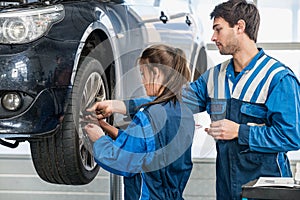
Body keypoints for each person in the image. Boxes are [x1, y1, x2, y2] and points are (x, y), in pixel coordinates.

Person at [88, 1, 300, 199]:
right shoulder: (215, 77)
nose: (213, 37)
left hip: (264, 186)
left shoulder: (277, 78)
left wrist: (239, 131)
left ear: (240, 27)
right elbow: (172, 100)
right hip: (226, 185)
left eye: (218, 29)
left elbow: (291, 136)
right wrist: (122, 106)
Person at [84, 44, 195, 199]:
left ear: (155, 73)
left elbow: (121, 160)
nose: (142, 81)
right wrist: (108, 127)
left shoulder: (148, 117)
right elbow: (148, 149)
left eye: (143, 74)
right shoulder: (185, 114)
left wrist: (99, 139)